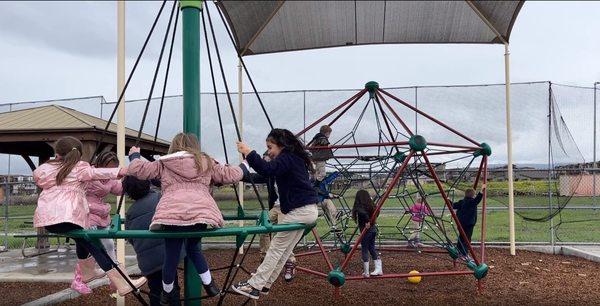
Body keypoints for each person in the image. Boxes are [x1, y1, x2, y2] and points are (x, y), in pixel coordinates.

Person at [126, 133, 243, 304]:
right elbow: (232, 175)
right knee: (194, 249)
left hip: (172, 216)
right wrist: (246, 163)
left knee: (171, 256)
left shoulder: (164, 163)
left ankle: (166, 293)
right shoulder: (207, 162)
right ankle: (210, 285)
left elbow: (139, 170)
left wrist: (135, 155)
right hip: (200, 214)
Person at [33, 136, 146, 296]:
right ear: (78, 155)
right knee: (97, 247)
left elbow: (38, 177)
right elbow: (97, 172)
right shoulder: (80, 169)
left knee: (85, 240)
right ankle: (121, 284)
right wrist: (126, 170)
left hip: (49, 220)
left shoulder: (47, 169)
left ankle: (87, 274)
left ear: (57, 155)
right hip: (70, 217)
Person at [232, 128, 319, 300]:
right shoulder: (294, 159)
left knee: (276, 248)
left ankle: (254, 285)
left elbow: (267, 169)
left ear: (281, 145)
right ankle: (265, 284)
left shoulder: (288, 157)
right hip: (309, 210)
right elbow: (265, 172)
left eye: (270, 147)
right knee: (284, 251)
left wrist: (248, 152)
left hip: (299, 210)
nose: (269, 152)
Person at [70, 151, 123, 294]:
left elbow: (118, 189)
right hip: (87, 212)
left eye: (113, 168)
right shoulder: (90, 174)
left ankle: (115, 279)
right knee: (91, 246)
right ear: (100, 165)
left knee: (109, 244)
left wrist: (129, 181)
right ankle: (79, 279)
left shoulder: (110, 178)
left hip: (101, 214)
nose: (110, 171)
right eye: (108, 168)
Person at [123, 175, 180, 306]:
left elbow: (130, 237)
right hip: (167, 254)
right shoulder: (160, 198)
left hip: (147, 261)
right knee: (171, 288)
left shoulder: (130, 213)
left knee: (155, 290)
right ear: (147, 184)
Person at [241, 152, 297, 282]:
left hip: (287, 207)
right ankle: (265, 258)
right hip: (276, 207)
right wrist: (236, 173)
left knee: (283, 234)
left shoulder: (286, 170)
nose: (265, 165)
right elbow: (252, 177)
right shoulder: (270, 175)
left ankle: (290, 262)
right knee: (263, 228)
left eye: (267, 162)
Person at [351, 189, 382, 277]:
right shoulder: (371, 205)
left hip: (367, 230)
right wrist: (371, 222)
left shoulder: (359, 206)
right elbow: (377, 212)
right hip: (373, 229)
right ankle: (378, 269)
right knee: (371, 248)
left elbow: (362, 213)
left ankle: (367, 272)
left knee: (364, 249)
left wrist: (368, 221)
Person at [452, 186, 485, 258]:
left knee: (461, 237)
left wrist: (448, 200)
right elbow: (477, 199)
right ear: (473, 195)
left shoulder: (462, 201)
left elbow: (453, 205)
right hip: (469, 224)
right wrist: (481, 191)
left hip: (461, 223)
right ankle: (464, 253)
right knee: (467, 239)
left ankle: (459, 250)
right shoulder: (472, 202)